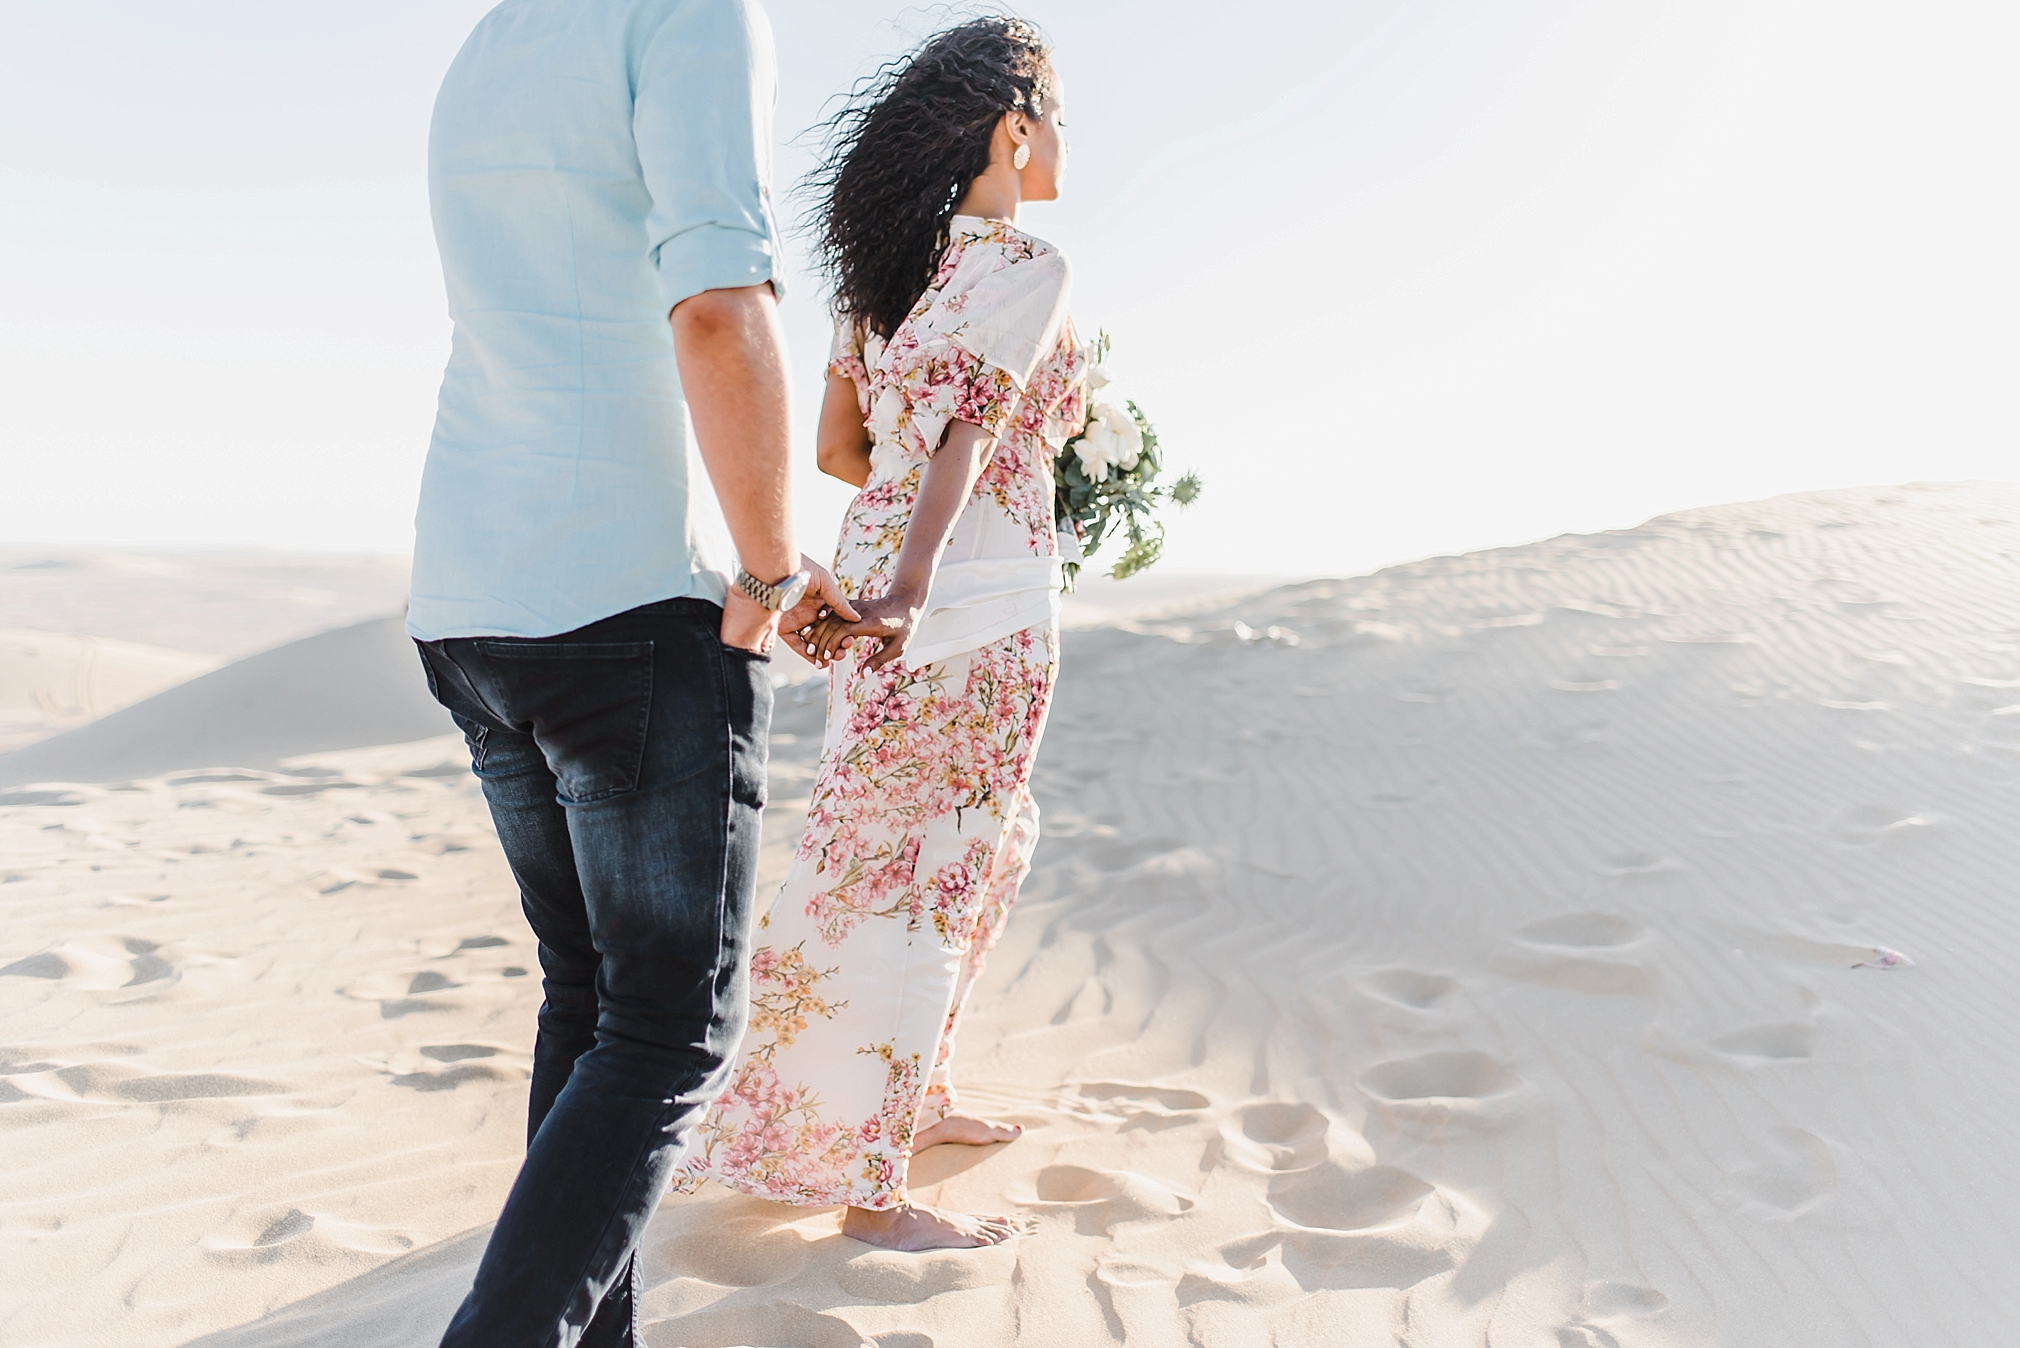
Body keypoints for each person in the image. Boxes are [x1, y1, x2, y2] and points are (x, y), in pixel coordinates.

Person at [406, 0, 853, 1342]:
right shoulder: (693, 14)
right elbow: (719, 312)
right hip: (618, 602)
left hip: (471, 597)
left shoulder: (495, 40)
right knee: (666, 1031)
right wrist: (772, 573)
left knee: (594, 998)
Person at [674, 16, 1085, 1252]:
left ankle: (915, 1098)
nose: (1061, 141)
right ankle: (871, 1191)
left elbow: (844, 454)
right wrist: (917, 584)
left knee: (925, 848)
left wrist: (894, 574)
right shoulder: (1028, 267)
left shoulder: (879, 281)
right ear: (1013, 129)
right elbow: (968, 433)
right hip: (973, 603)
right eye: (1054, 117)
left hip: (883, 594)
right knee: (934, 866)